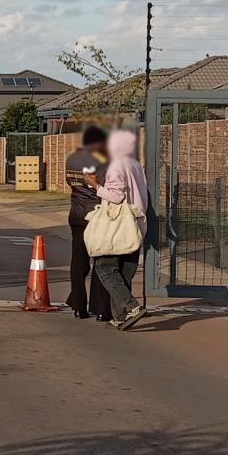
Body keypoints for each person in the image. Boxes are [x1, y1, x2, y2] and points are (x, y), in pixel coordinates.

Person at [82, 128, 151, 331]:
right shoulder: (136, 164)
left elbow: (116, 196)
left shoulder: (116, 167)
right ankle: (121, 316)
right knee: (124, 274)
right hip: (137, 225)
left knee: (105, 268)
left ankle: (131, 307)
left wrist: (94, 185)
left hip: (118, 227)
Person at [64, 126, 112, 322]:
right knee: (101, 260)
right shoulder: (102, 161)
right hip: (96, 215)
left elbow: (71, 183)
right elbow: (103, 186)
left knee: (78, 261)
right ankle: (100, 307)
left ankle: (78, 304)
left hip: (76, 214)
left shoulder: (72, 159)